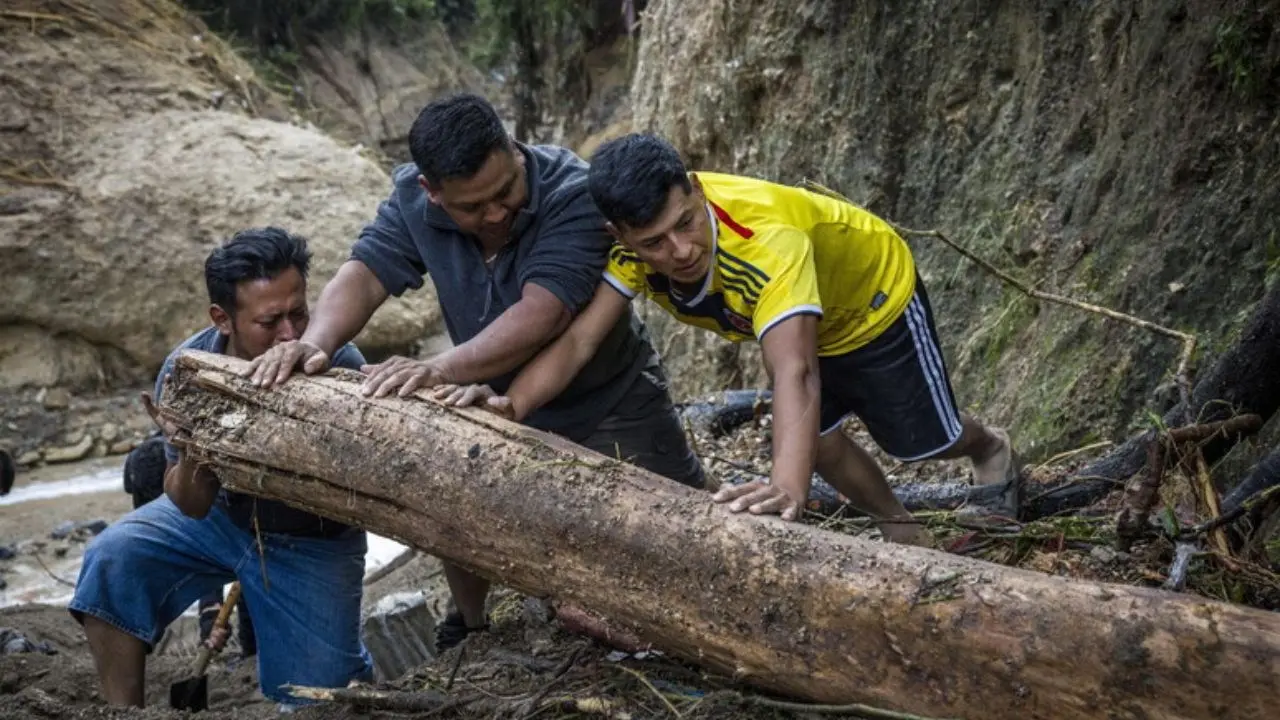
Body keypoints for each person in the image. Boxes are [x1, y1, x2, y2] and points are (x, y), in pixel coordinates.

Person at [244, 94, 704, 651]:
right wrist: (315, 343)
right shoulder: (412, 202)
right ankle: (474, 628)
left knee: (683, 532)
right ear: (431, 193)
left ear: (512, 149)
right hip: (487, 402)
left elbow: (543, 315)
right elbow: (365, 272)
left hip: (611, 397)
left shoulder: (575, 194)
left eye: (505, 191)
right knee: (454, 504)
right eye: (472, 206)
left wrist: (437, 368)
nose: (494, 214)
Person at [441, 133, 1022, 543]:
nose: (681, 252)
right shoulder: (624, 248)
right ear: (618, 234)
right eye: (655, 243)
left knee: (920, 442)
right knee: (815, 438)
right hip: (798, 319)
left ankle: (989, 447)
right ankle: (899, 527)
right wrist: (511, 405)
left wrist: (784, 490)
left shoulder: (769, 242)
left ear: (695, 188)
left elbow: (795, 372)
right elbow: (579, 342)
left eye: (686, 223)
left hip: (870, 300)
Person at [69, 227, 373, 708]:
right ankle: (123, 712)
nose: (290, 334)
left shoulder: (337, 364)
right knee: (112, 561)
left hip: (312, 542)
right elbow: (190, 506)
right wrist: (194, 447)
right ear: (223, 318)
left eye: (298, 313)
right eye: (270, 321)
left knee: (319, 696)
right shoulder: (187, 368)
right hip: (219, 519)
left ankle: (335, 656)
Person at [122, 434, 257, 659]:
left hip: (248, 523)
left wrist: (209, 609)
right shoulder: (139, 467)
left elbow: (205, 535)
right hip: (169, 502)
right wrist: (210, 609)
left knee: (250, 580)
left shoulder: (202, 470)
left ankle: (252, 652)